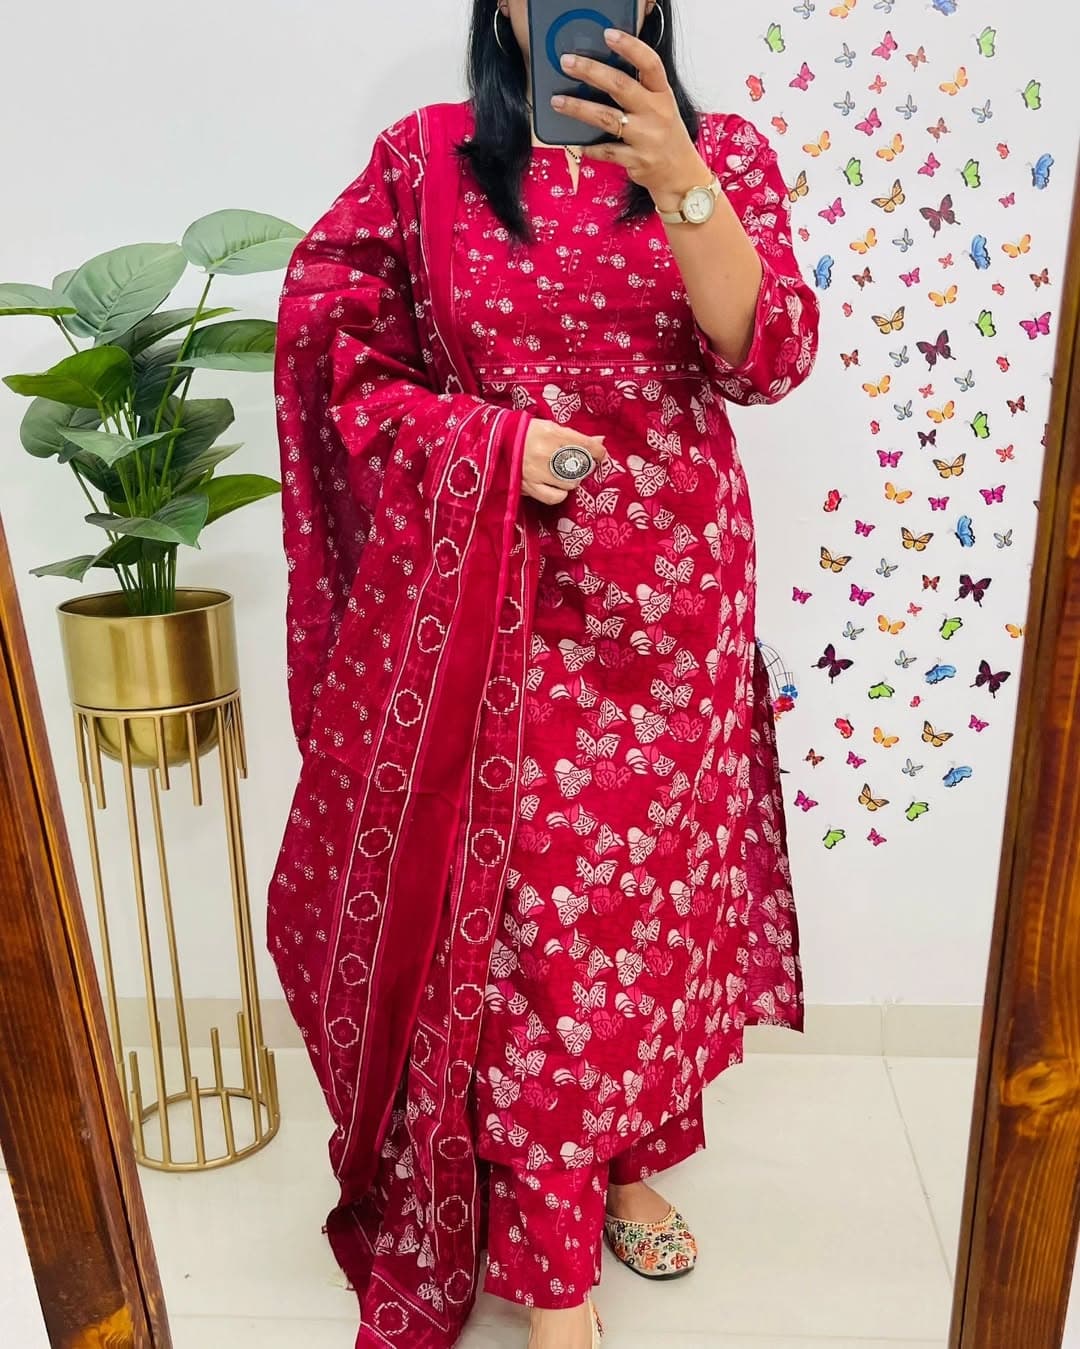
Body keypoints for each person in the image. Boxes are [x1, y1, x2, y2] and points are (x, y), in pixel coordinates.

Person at [266, 2, 819, 1345]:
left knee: (644, 917)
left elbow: (769, 358)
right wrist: (497, 449)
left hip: (673, 610)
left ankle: (627, 1157)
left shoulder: (724, 155)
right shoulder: (427, 161)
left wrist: (678, 176)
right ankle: (553, 1272)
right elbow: (335, 353)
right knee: (532, 934)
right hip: (495, 601)